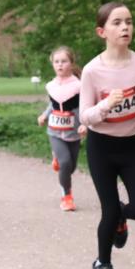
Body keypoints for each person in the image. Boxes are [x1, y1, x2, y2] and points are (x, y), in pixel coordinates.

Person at [79, 2, 135, 269]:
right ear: (102, 31)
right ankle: (101, 264)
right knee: (109, 210)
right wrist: (106, 105)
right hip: (101, 148)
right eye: (117, 22)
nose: (125, 27)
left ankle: (120, 216)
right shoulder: (92, 71)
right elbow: (85, 116)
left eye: (128, 21)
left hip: (131, 147)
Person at [36, 46, 85, 211]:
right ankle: (67, 196)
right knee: (65, 163)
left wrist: (85, 124)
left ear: (71, 63)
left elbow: (82, 107)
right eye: (56, 62)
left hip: (74, 132)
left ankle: (58, 160)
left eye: (64, 61)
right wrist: (44, 115)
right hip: (55, 131)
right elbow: (53, 104)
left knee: (71, 167)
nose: (60, 65)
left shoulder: (79, 85)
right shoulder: (51, 85)